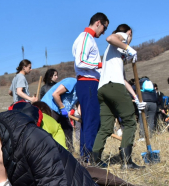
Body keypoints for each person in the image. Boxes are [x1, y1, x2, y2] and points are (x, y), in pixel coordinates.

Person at [92, 24, 145, 170]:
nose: (130, 39)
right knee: (130, 122)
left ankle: (95, 161)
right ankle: (127, 162)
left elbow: (122, 79)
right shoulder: (123, 36)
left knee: (106, 128)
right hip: (114, 86)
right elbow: (110, 37)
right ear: (129, 32)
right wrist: (129, 47)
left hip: (103, 89)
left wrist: (135, 97)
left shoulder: (114, 54)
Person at [72, 12, 109, 162]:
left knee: (91, 121)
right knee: (91, 121)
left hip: (89, 83)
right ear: (98, 22)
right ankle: (89, 159)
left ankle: (87, 157)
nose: (104, 31)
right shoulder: (85, 38)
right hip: (87, 82)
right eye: (104, 27)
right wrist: (100, 64)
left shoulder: (88, 38)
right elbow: (80, 62)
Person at [41, 77, 79, 150]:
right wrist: (62, 108)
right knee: (51, 130)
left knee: (68, 129)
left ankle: (69, 153)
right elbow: (55, 94)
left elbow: (79, 106)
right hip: (50, 108)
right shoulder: (72, 81)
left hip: (61, 111)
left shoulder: (81, 91)